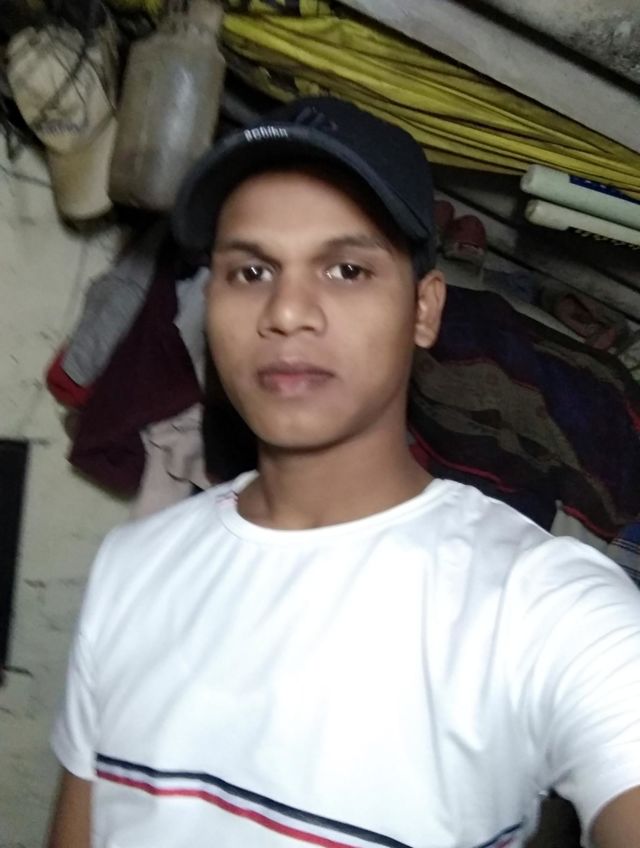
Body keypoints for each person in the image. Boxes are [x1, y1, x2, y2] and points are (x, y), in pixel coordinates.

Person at [48, 97, 640, 848]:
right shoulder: (132, 567)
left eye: (347, 269)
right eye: (251, 270)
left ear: (424, 310)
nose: (288, 311)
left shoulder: (543, 608)